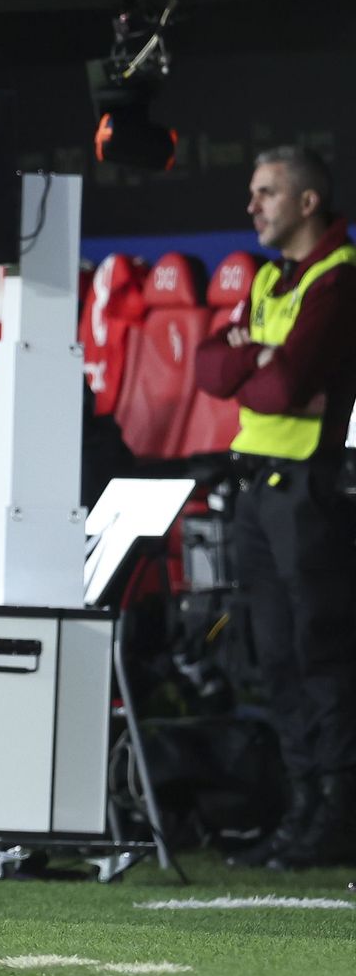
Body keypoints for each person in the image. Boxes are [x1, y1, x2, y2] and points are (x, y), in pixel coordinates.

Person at [196, 147, 356, 871]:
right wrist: (258, 358)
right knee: (276, 655)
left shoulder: (338, 277)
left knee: (320, 652)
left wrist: (261, 363)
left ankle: (337, 811)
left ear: (307, 202)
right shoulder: (268, 278)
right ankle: (301, 811)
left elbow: (287, 385)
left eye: (266, 193)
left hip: (309, 491)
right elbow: (209, 367)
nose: (252, 206)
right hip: (258, 491)